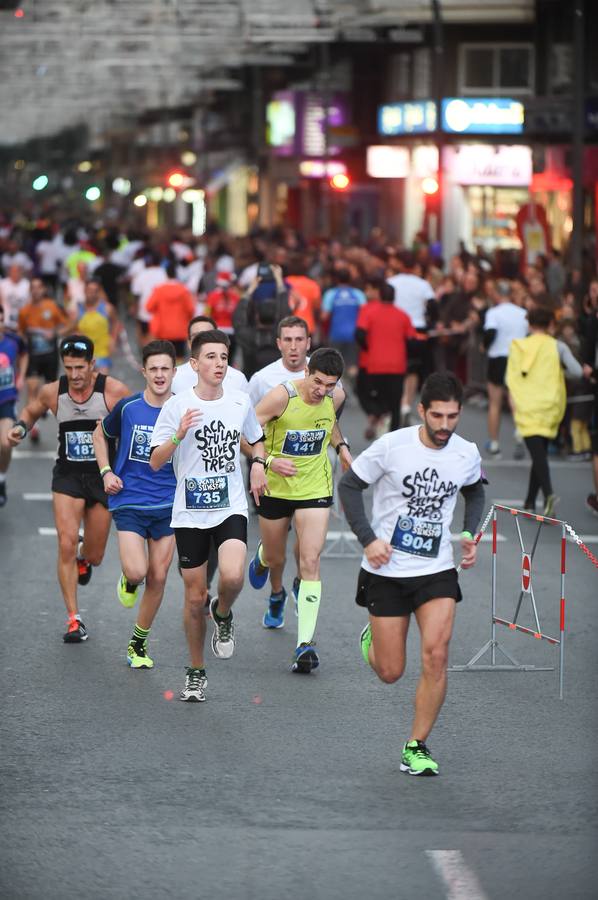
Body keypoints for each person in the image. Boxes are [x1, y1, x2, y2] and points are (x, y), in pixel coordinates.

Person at [338, 373, 484, 777]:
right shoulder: (392, 446)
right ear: (421, 411)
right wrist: (368, 539)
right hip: (386, 569)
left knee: (437, 654)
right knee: (390, 672)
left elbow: (475, 490)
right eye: (437, 416)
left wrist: (470, 532)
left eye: (452, 417)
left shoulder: (465, 452)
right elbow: (349, 487)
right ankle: (372, 641)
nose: (444, 426)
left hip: (435, 568)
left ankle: (416, 745)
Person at [150, 328, 268, 702]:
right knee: (193, 597)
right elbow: (155, 461)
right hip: (189, 513)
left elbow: (254, 438)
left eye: (223, 357)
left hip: (230, 504)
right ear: (195, 363)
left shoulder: (239, 401)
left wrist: (260, 463)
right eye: (211, 357)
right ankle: (196, 671)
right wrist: (179, 435)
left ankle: (224, 611)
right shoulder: (176, 405)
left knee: (232, 576)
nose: (219, 363)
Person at [7, 335, 130, 642]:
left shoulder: (112, 392)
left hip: (102, 477)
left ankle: (83, 555)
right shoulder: (54, 392)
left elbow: (136, 423)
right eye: (69, 368)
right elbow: (31, 410)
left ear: (93, 365)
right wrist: (21, 428)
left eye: (80, 368)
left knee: (97, 554)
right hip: (68, 475)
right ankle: (74, 619)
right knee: (64, 542)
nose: (75, 376)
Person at [249, 347, 351, 672]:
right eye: (318, 382)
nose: (322, 391)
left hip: (314, 486)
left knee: (310, 559)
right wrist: (265, 461)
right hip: (276, 487)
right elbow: (245, 431)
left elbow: (330, 424)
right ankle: (265, 558)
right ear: (307, 373)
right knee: (278, 557)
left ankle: (304, 645)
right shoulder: (281, 397)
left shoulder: (335, 397)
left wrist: (343, 449)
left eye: (330, 385)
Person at [93, 340, 178, 669]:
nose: (159, 375)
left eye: (165, 369)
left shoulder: (184, 409)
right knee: (138, 571)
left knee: (158, 576)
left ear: (174, 371)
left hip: (170, 503)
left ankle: (137, 644)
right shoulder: (129, 408)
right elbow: (99, 434)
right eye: (153, 369)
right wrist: (105, 472)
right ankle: (128, 580)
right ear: (143, 371)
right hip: (129, 499)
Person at [506, 306, 582, 516]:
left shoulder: (518, 346)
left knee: (538, 454)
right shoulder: (558, 346)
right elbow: (576, 371)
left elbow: (510, 378)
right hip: (550, 406)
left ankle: (548, 495)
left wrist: (513, 402)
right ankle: (530, 501)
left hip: (526, 406)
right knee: (540, 454)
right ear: (551, 324)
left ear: (529, 324)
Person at [355, 280, 417, 433]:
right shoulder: (403, 316)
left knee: (373, 395)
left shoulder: (370, 313)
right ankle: (392, 433)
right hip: (397, 365)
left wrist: (368, 347)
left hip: (375, 364)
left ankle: (377, 415)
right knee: (395, 403)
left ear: (380, 295)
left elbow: (359, 334)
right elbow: (412, 340)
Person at [18, 277, 70, 441]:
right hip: (33, 355)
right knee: (32, 387)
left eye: (38, 287)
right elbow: (21, 331)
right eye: (32, 287)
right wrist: (24, 342)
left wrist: (54, 333)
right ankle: (34, 427)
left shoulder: (52, 307)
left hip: (50, 355)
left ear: (43, 290)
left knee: (50, 390)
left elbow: (68, 325)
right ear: (29, 291)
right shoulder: (24, 311)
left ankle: (58, 425)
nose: (35, 290)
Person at [387, 252, 435, 424]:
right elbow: (432, 306)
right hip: (417, 328)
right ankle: (407, 404)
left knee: (398, 367)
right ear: (415, 267)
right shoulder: (423, 284)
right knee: (413, 368)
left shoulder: (391, 282)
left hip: (396, 328)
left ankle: (397, 402)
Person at [482, 280, 528, 459]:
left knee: (495, 402)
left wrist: (484, 346)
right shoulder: (522, 313)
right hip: (518, 357)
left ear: (497, 294)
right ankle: (519, 431)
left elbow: (490, 333)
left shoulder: (493, 313)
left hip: (498, 357)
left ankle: (494, 444)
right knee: (514, 397)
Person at [172, 315, 248, 395]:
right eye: (196, 336)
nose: (203, 340)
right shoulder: (174, 377)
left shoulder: (238, 379)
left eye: (208, 335)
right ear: (189, 343)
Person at [0, 304, 28, 507]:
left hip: (6, 400)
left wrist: (21, 376)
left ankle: (1, 478)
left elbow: (24, 353)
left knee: (5, 443)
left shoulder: (13, 341)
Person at [320, 269, 366, 377]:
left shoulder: (331, 294)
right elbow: (365, 313)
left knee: (334, 364)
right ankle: (352, 390)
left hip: (336, 334)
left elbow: (324, 316)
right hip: (354, 334)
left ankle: (338, 390)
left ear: (336, 279)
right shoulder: (358, 294)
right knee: (352, 364)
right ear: (350, 279)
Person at [145, 262, 196, 359]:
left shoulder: (159, 290)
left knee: (165, 358)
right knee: (179, 358)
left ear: (166, 274)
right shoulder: (184, 290)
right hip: (180, 331)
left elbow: (148, 307)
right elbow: (191, 310)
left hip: (162, 331)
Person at [77, 277, 121, 374]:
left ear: (98, 292)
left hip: (102, 352)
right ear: (84, 291)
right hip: (83, 355)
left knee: (101, 384)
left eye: (95, 291)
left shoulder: (107, 308)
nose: (91, 293)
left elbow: (116, 323)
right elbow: (71, 328)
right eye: (89, 290)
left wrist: (113, 339)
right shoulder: (77, 309)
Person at [0, 264, 30, 332]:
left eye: (17, 271)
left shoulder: (27, 284)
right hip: (6, 321)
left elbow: (30, 304)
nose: (15, 273)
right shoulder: (2, 284)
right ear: (9, 272)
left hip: (23, 321)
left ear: (21, 272)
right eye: (13, 271)